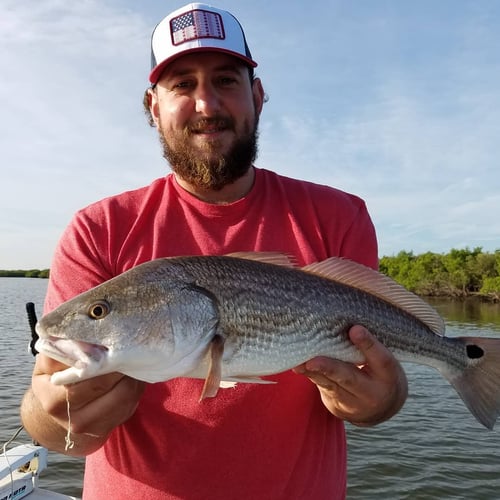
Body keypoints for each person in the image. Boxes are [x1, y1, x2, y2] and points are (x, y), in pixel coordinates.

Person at [21, 3, 407, 499]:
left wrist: (380, 398)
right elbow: (47, 422)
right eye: (182, 84)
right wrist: (56, 415)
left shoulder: (339, 216)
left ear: (258, 96)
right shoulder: (99, 229)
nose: (206, 104)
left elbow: (376, 393)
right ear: (153, 107)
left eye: (226, 80)